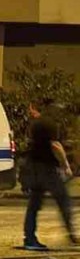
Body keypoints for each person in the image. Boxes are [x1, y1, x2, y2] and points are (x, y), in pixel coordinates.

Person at [22, 99, 77, 250]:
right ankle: (72, 235)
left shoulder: (38, 124)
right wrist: (65, 165)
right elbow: (55, 145)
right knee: (63, 200)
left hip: (33, 167)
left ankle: (29, 239)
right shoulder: (52, 125)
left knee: (34, 205)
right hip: (48, 169)